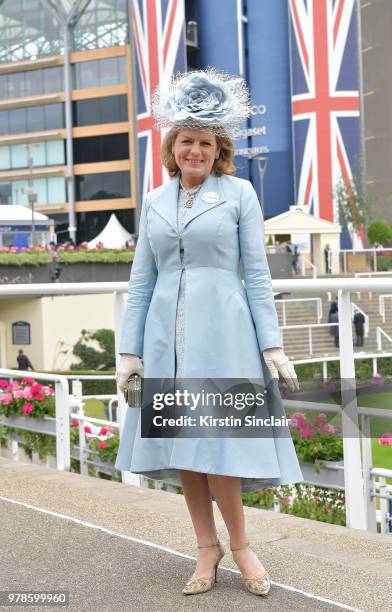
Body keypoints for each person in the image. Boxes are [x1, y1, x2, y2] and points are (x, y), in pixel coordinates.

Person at [115, 69, 303, 598]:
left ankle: (241, 545)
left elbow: (258, 274)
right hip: (163, 341)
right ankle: (206, 547)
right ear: (172, 146)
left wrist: (271, 344)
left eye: (204, 142)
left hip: (226, 335)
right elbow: (141, 279)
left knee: (220, 441)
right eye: (185, 141)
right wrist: (129, 353)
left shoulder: (239, 193)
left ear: (217, 148)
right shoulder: (153, 200)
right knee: (184, 446)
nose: (194, 150)